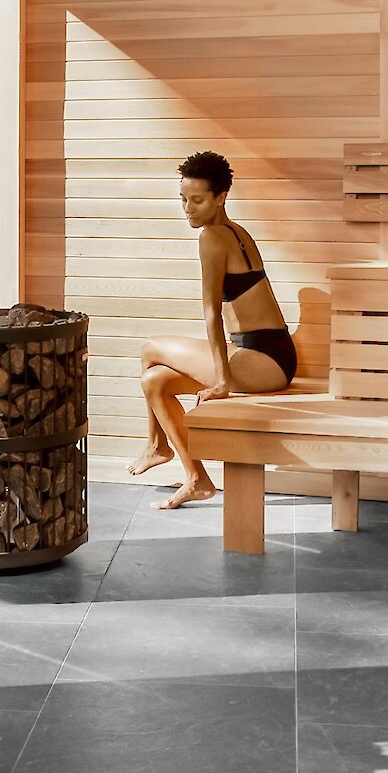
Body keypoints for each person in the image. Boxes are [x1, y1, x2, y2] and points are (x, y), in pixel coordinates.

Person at [129, 149, 298, 510]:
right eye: (184, 199)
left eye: (198, 200)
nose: (188, 208)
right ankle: (196, 479)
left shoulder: (212, 238)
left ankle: (157, 447)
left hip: (262, 361)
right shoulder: (238, 232)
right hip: (274, 354)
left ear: (221, 198)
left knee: (149, 349)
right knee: (154, 382)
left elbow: (212, 314)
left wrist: (221, 383)